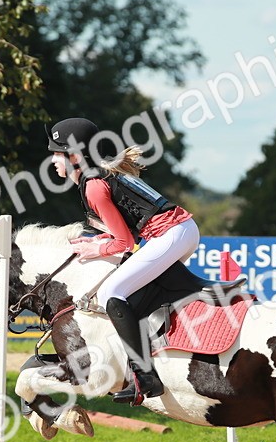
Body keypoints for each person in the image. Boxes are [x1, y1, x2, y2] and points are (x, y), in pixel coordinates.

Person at [47, 117, 199, 405]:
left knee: (109, 293)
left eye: (58, 153)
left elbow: (124, 244)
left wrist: (95, 250)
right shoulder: (98, 179)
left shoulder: (94, 186)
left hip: (172, 234)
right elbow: (124, 234)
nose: (54, 161)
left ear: (75, 156)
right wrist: (94, 242)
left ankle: (145, 378)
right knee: (133, 292)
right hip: (178, 232)